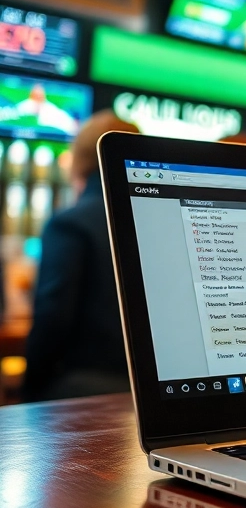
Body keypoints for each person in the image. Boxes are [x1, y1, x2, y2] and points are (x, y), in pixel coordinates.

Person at [23, 111, 140, 401]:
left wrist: (29, 393)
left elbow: (52, 319)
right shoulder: (156, 218)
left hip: (85, 392)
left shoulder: (71, 223)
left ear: (79, 159)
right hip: (150, 396)